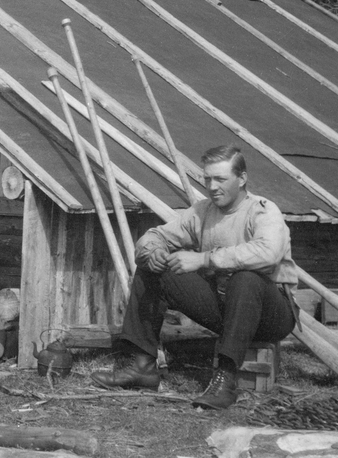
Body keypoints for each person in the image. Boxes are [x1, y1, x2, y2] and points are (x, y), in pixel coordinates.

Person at [89, 145, 298, 409]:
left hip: (272, 314)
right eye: (207, 178)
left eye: (220, 179)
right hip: (226, 308)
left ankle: (225, 380)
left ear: (242, 179)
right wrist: (153, 252)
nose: (212, 186)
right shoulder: (202, 212)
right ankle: (141, 365)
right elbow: (154, 236)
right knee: (155, 268)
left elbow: (268, 253)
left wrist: (204, 258)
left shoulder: (263, 211)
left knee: (246, 278)